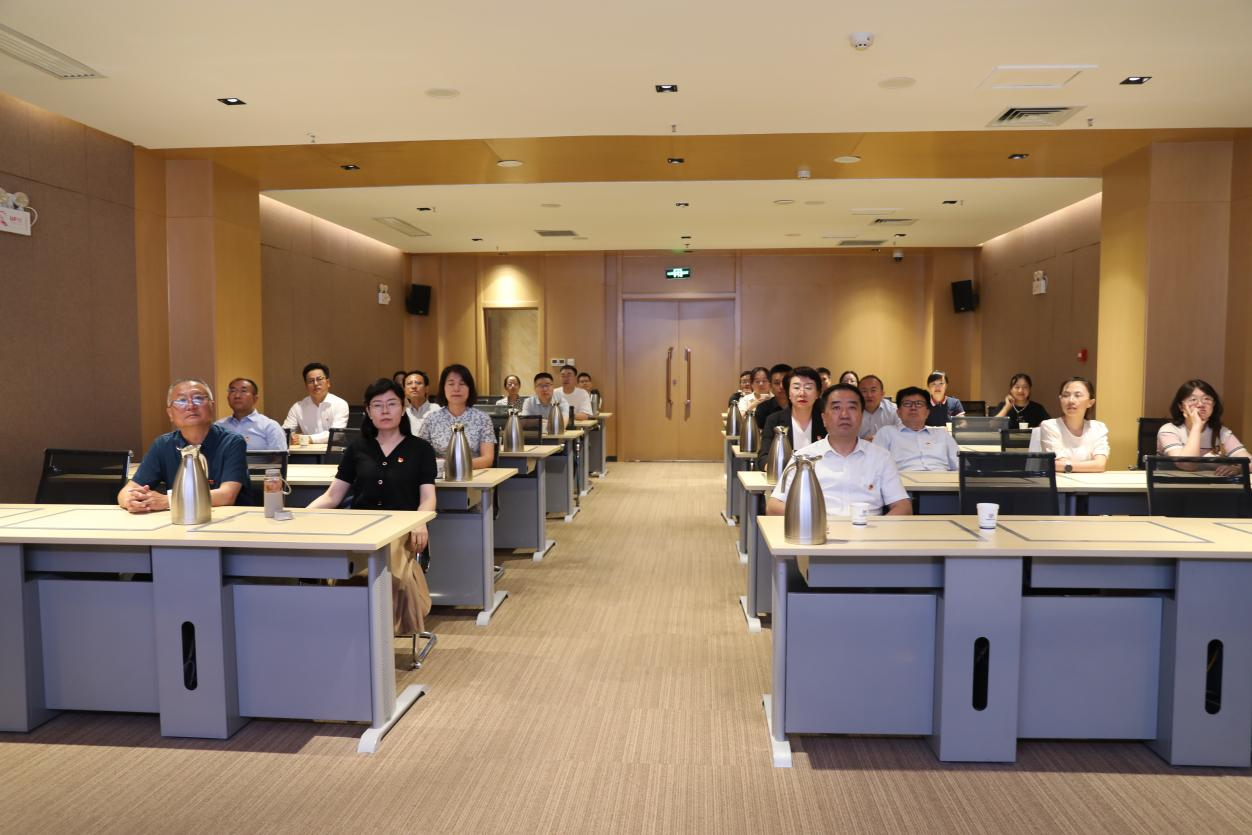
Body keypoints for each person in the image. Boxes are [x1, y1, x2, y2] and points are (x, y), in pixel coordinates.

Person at [307, 379, 437, 635]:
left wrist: (420, 522)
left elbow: (427, 497)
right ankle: (346, 634)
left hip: (400, 530)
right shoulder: (358, 448)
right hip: (359, 529)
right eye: (377, 405)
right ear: (368, 411)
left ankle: (382, 638)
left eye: (392, 404)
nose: (385, 411)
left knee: (391, 578)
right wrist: (301, 516)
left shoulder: (420, 449)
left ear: (403, 408)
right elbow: (332, 496)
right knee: (344, 573)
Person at [766, 384, 911, 518]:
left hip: (868, 531)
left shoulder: (881, 457)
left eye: (852, 408)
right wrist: (813, 522)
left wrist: (878, 529)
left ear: (861, 416)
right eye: (836, 408)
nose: (844, 415)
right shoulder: (804, 457)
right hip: (818, 532)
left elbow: (903, 506)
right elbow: (774, 506)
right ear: (824, 418)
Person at [118, 379, 247, 512]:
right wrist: (132, 501)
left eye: (198, 398)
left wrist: (168, 500)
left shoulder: (232, 442)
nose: (191, 406)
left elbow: (227, 495)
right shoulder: (163, 445)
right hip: (180, 518)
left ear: (212, 406)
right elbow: (126, 491)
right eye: (181, 401)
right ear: (170, 413)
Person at [418, 364, 496, 470]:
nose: (456, 389)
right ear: (443, 388)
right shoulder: (431, 419)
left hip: (473, 475)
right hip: (440, 476)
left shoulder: (482, 418)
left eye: (462, 384)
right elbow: (420, 454)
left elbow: (488, 459)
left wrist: (455, 466)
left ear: (469, 389)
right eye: (451, 384)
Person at [873, 386, 960, 471]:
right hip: (902, 478)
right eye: (907, 404)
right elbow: (875, 467)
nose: (913, 408)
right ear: (898, 412)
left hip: (941, 478)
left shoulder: (942, 434)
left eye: (919, 404)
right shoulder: (886, 433)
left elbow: (959, 466)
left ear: (927, 412)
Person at [1157, 379, 1249, 459]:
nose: (1200, 404)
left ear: (1214, 404)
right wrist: (1197, 426)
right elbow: (1187, 465)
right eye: (1193, 399)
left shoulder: (1221, 432)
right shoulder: (1169, 430)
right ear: (1181, 407)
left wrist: (1237, 468)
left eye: (1206, 399)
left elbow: (1249, 462)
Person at [757, 367, 826, 467]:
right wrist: (773, 468)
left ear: (817, 393)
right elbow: (763, 457)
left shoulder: (826, 421)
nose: (802, 393)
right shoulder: (774, 420)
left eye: (808, 388)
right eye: (796, 388)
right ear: (788, 393)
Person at [1039, 377, 1108, 473]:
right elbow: (1056, 463)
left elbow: (1100, 465)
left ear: (1090, 402)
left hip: (1092, 481)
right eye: (1066, 395)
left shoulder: (1098, 428)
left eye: (1077, 395)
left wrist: (1066, 466)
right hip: (1060, 481)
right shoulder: (1050, 426)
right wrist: (1091, 466)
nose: (1071, 400)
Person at [282, 362, 349, 444]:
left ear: (328, 382)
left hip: (333, 450)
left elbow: (336, 434)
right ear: (306, 386)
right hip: (307, 451)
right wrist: (290, 437)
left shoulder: (340, 404)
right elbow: (285, 432)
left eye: (319, 379)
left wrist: (307, 439)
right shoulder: (298, 407)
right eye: (311, 381)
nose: (315, 383)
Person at [216, 377, 287, 450]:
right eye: (232, 391)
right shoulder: (218, 427)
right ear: (228, 398)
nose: (237, 396)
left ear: (255, 398)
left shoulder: (270, 427)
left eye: (243, 391)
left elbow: (278, 456)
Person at [857, 374, 901, 440]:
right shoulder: (851, 411)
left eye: (873, 390)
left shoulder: (894, 410)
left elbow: (902, 433)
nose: (869, 395)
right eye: (864, 391)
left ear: (882, 394)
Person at [754, 363, 794, 430]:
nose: (781, 386)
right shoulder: (762, 408)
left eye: (785, 382)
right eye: (777, 383)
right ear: (770, 385)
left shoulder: (800, 406)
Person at [403, 370, 440, 435]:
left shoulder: (437, 410)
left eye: (418, 383)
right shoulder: (402, 413)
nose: (414, 386)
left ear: (426, 388)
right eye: (409, 383)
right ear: (404, 390)